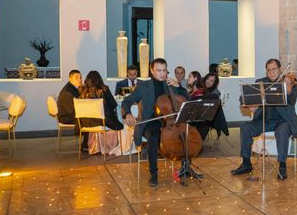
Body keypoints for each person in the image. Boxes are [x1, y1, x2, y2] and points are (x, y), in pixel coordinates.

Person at [232, 58, 297, 180]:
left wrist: (288, 88)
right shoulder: (260, 83)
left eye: (274, 69)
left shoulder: (288, 81)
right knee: (245, 127)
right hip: (263, 121)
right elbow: (243, 97)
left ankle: (282, 165)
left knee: (282, 131)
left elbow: (292, 100)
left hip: (282, 121)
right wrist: (250, 105)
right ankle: (246, 163)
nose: (272, 72)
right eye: (269, 70)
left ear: (280, 69)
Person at [122, 58, 188, 187]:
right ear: (152, 71)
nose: (162, 74)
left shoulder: (170, 85)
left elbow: (185, 100)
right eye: (158, 70)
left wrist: (179, 87)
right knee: (153, 137)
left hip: (169, 123)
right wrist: (127, 113)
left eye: (164, 70)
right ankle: (154, 173)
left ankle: (185, 168)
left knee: (183, 134)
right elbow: (126, 102)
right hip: (149, 123)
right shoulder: (143, 86)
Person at [79, 70, 124, 154]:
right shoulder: (104, 89)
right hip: (102, 121)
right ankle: (112, 145)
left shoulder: (83, 90)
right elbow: (114, 105)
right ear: (99, 80)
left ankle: (89, 145)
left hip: (86, 122)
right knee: (120, 123)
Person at [196, 72, 229, 140]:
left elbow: (210, 111)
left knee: (202, 123)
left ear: (214, 84)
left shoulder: (215, 93)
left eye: (211, 81)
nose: (208, 82)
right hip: (199, 113)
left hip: (211, 117)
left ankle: (198, 141)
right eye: (208, 79)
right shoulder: (200, 87)